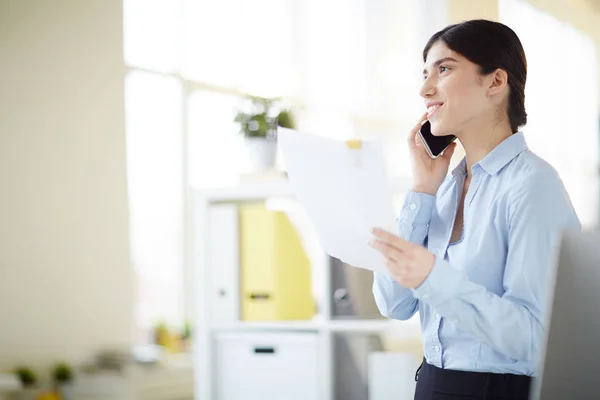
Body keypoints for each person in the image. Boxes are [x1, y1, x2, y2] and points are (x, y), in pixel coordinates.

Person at [370, 19, 581, 400]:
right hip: (433, 384)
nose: (424, 89)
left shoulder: (533, 186)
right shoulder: (445, 189)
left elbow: (538, 340)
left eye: (444, 69)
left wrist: (433, 276)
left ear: (496, 82)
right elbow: (394, 303)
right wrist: (421, 191)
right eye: (424, 73)